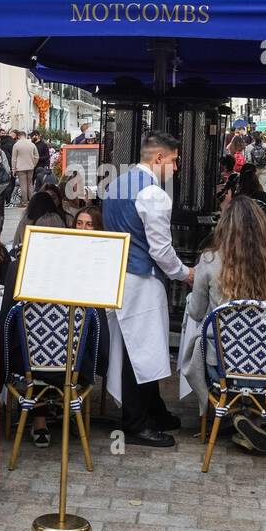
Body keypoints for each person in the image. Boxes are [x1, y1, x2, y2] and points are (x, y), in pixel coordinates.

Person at [186, 196, 266, 454]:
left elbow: (195, 313)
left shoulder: (210, 262)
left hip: (223, 371)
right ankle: (252, 418)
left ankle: (233, 412)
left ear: (224, 226)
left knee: (206, 345)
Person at [101, 131, 194, 448]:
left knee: (132, 346)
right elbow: (161, 250)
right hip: (141, 278)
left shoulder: (116, 184)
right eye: (173, 160)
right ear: (159, 158)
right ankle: (136, 423)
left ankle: (153, 411)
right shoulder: (154, 194)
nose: (176, 167)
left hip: (117, 274)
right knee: (138, 350)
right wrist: (185, 274)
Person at [12, 130, 38, 206]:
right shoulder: (32, 144)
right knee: (30, 184)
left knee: (23, 185)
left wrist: (13, 169)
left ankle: (24, 202)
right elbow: (37, 156)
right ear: (25, 136)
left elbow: (14, 158)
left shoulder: (16, 145)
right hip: (30, 167)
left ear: (19, 136)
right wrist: (33, 164)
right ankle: (32, 201)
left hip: (20, 168)